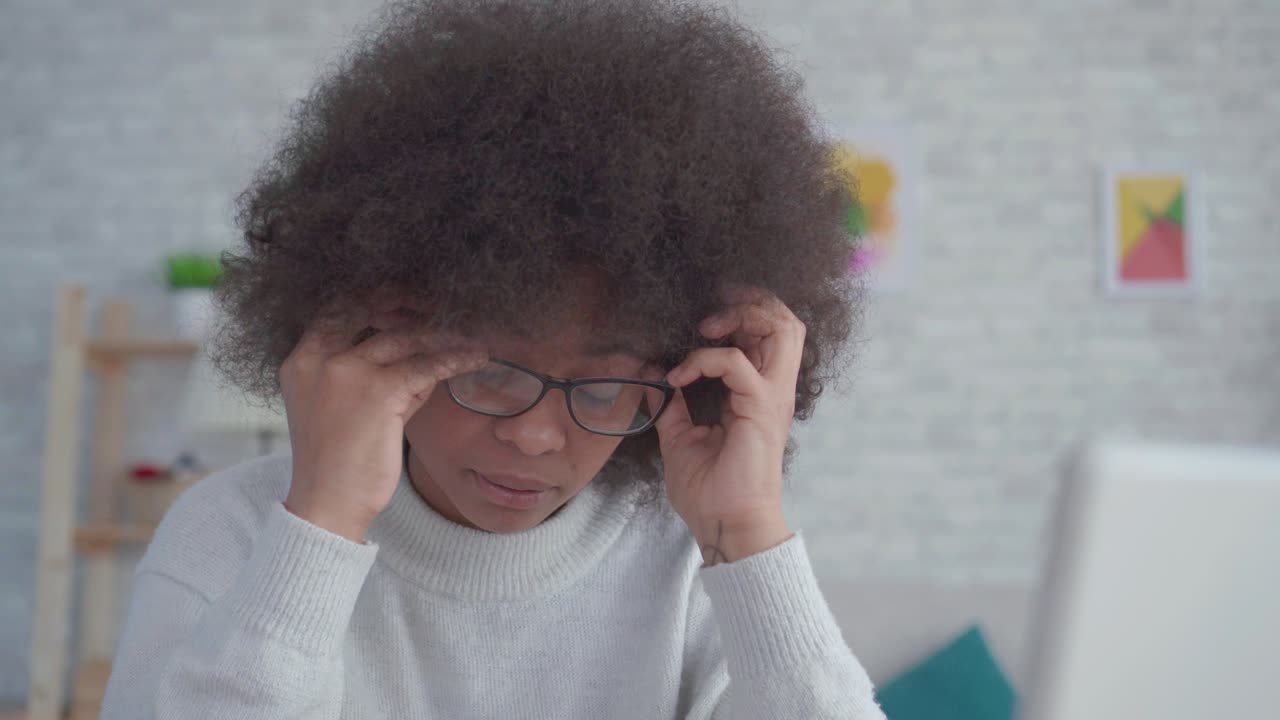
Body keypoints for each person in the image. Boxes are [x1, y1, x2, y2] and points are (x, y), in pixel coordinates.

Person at [100, 0, 883, 717]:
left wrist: (745, 532)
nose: (537, 437)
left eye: (606, 386)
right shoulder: (234, 533)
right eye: (491, 372)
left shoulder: (690, 565)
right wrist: (325, 521)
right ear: (380, 339)